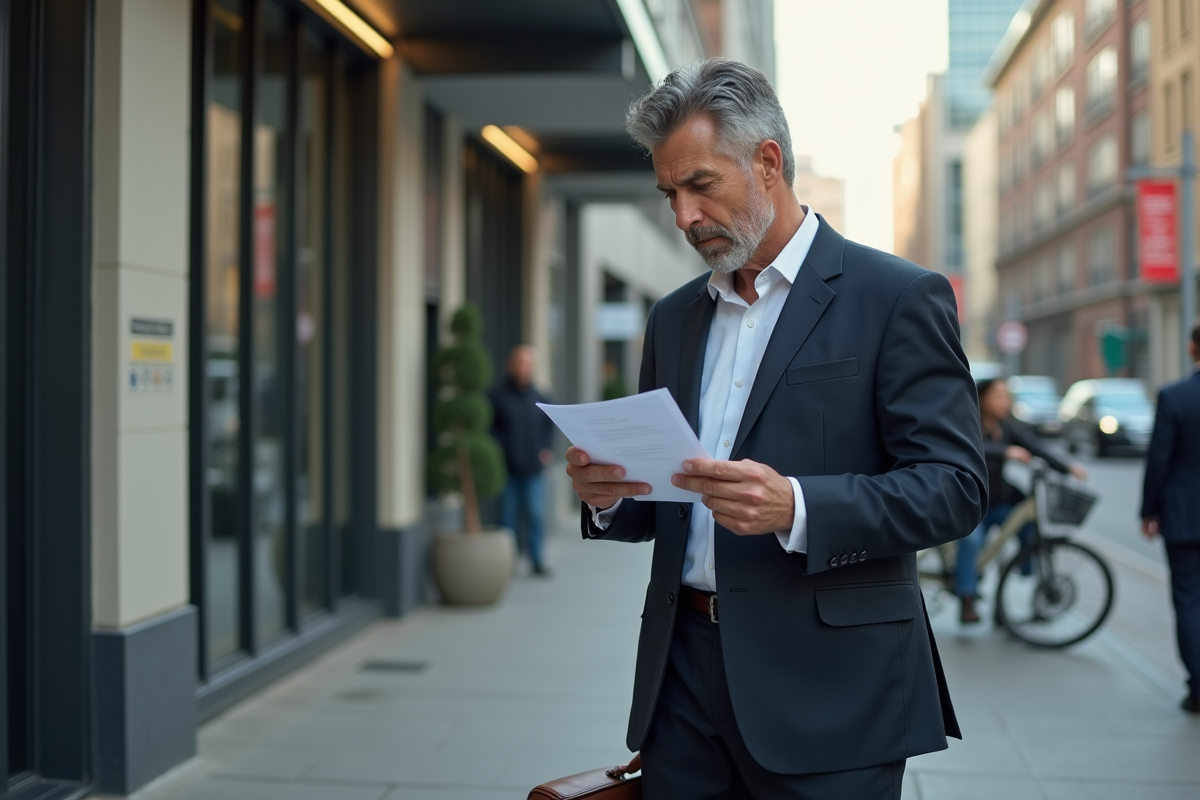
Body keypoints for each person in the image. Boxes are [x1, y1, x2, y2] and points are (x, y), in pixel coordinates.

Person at [564, 59, 986, 799]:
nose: (683, 217)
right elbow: (660, 502)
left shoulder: (896, 297)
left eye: (700, 185)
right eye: (669, 193)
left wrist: (798, 506)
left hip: (833, 690)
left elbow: (953, 490)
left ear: (767, 164)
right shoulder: (673, 318)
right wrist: (607, 494)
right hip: (683, 679)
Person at [955, 378, 1087, 624]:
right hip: (971, 503)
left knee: (1030, 528)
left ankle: (1017, 577)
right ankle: (967, 599)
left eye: (1007, 397)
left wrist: (1067, 467)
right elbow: (968, 449)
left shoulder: (1007, 427)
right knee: (972, 543)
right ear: (982, 398)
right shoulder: (967, 423)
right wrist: (1005, 451)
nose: (1004, 402)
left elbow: (1034, 445)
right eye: (998, 397)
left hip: (999, 501)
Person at [1140, 318, 1200, 714]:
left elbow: (1159, 458)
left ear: (1192, 348)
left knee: (1189, 600)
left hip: (1184, 516)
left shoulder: (1175, 396)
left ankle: (1198, 687)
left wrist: (1149, 510)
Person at [489, 345, 555, 576]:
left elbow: (549, 428)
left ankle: (537, 561)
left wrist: (547, 449)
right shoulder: (497, 396)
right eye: (519, 362)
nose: (523, 367)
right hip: (508, 469)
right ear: (511, 365)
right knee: (508, 517)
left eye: (527, 363)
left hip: (534, 469)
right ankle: (508, 564)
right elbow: (491, 429)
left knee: (536, 515)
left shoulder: (540, 397)